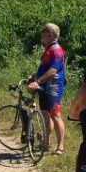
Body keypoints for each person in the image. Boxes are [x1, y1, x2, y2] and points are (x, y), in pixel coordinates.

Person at [27, 23, 66, 155]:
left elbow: (53, 70)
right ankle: (46, 143)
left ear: (50, 34)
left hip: (53, 88)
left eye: (44, 31)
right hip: (44, 86)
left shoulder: (56, 50)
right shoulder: (49, 49)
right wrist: (34, 76)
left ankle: (60, 147)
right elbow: (46, 68)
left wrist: (37, 81)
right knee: (45, 115)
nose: (41, 33)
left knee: (55, 115)